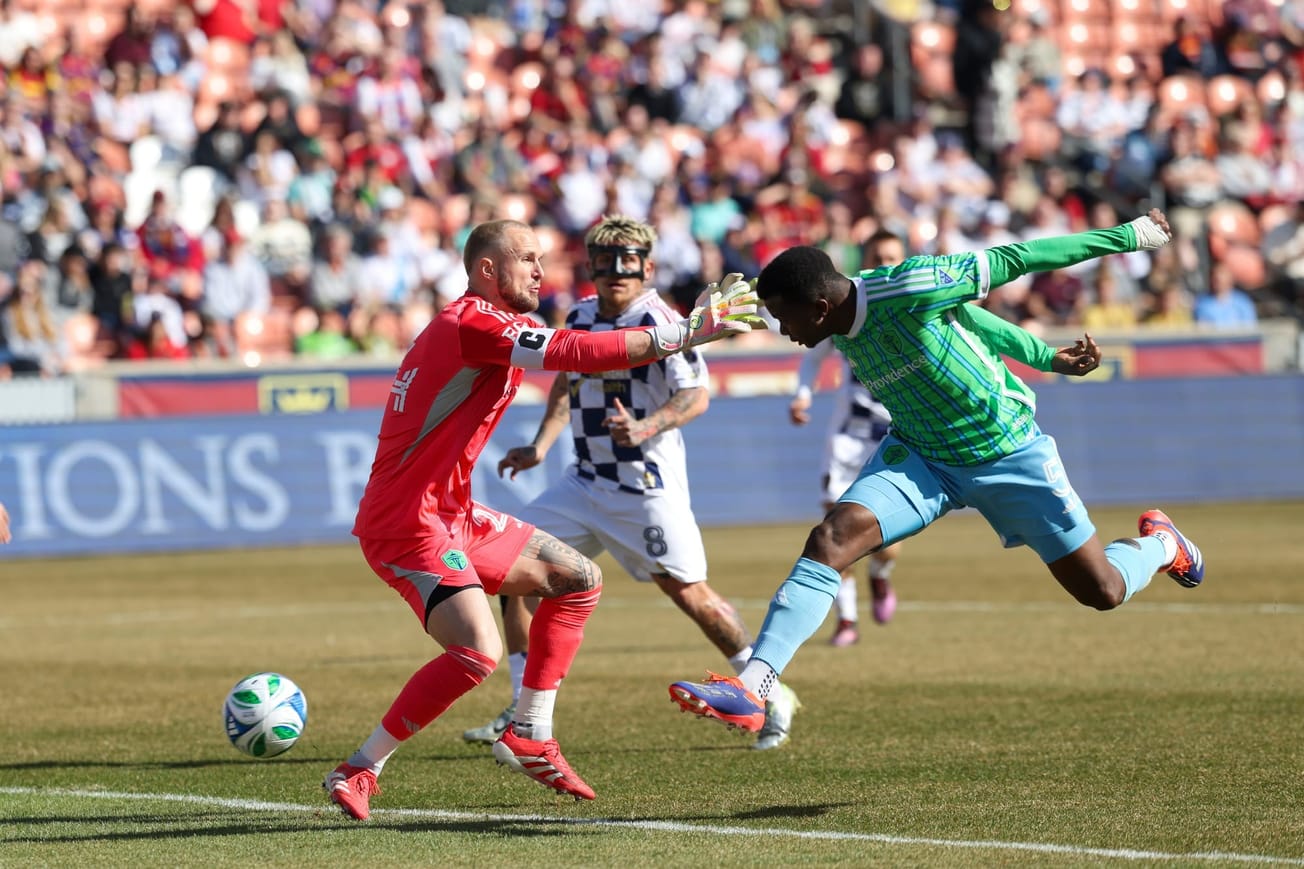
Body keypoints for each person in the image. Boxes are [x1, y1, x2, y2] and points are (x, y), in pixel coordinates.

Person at [667, 209, 1205, 733]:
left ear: (822, 306)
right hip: (921, 456)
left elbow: (1020, 257)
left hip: (1007, 450)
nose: (782, 330)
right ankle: (754, 687)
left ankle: (1163, 546)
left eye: (786, 319)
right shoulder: (825, 307)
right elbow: (962, 321)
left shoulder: (909, 286)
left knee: (1103, 590)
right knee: (831, 539)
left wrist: (1129, 236)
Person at [324, 219, 762, 820]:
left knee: (579, 579)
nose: (540, 269)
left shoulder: (504, 327)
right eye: (526, 258)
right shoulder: (469, 323)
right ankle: (360, 767)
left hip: (451, 512)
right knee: (476, 652)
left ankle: (529, 730)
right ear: (486, 271)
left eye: (541, 258)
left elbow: (570, 355)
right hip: (407, 521)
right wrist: (689, 331)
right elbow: (578, 351)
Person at [465, 215, 801, 752]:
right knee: (514, 576)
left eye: (629, 261)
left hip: (645, 488)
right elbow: (566, 385)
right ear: (592, 266)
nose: (617, 272)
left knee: (689, 594)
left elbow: (695, 395)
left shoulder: (661, 319)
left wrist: (646, 426)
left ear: (646, 266)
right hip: (583, 483)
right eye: (606, 260)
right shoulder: (577, 314)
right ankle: (522, 710)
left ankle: (768, 689)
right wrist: (542, 445)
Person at [788, 229, 907, 647]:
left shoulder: (914, 308)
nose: (885, 262)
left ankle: (882, 574)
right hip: (845, 440)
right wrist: (802, 395)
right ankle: (848, 621)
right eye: (878, 255)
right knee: (835, 530)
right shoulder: (847, 308)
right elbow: (813, 356)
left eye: (892, 255)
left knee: (884, 543)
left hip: (893, 440)